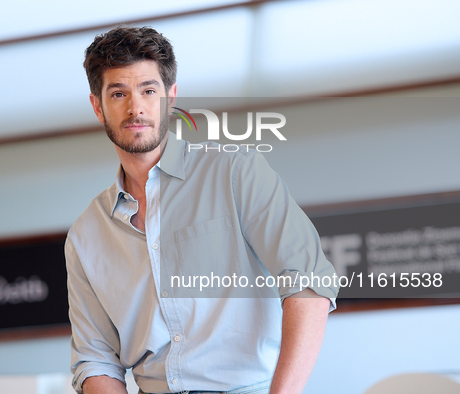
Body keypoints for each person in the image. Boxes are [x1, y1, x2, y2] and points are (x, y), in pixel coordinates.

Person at [65, 25, 339, 394]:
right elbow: (95, 357)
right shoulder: (85, 236)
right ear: (98, 106)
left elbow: (308, 283)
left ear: (171, 97)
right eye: (118, 93)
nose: (136, 107)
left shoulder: (236, 172)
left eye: (149, 90)